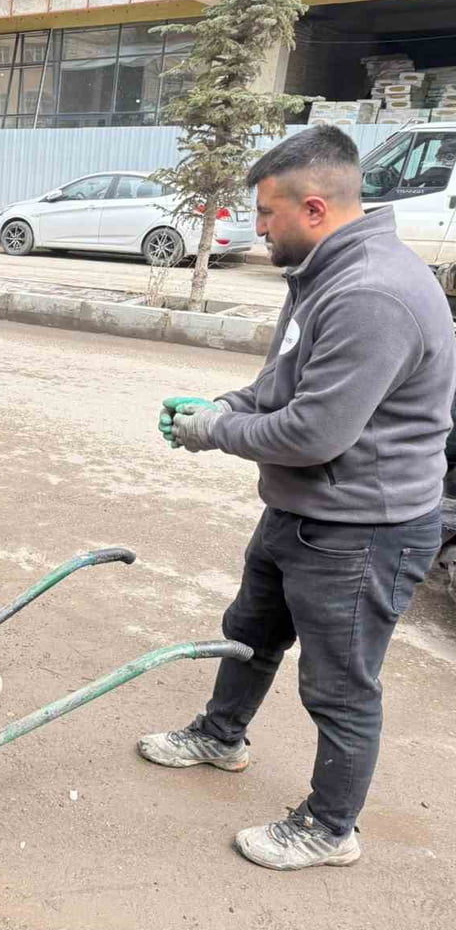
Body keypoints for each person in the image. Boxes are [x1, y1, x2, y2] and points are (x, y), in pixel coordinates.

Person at [143, 125, 456, 870]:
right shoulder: (323, 273)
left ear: (314, 208)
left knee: (341, 686)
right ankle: (221, 736)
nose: (256, 228)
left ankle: (330, 827)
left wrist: (213, 430)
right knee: (250, 630)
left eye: (266, 213)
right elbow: (285, 386)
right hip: (303, 510)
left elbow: (316, 431)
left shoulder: (371, 293)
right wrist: (221, 401)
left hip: (361, 529)